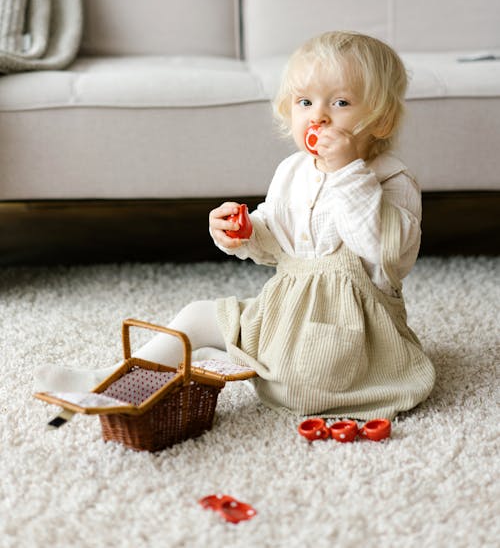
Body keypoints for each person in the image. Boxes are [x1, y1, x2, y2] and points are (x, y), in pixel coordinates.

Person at [35, 31, 435, 420]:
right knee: (197, 315)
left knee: (302, 383)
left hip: (348, 337)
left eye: (341, 102)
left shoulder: (390, 180)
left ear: (380, 121)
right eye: (305, 102)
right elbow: (280, 238)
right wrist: (246, 232)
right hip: (286, 314)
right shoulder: (293, 170)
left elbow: (384, 256)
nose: (319, 116)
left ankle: (237, 360)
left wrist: (346, 171)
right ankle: (109, 382)